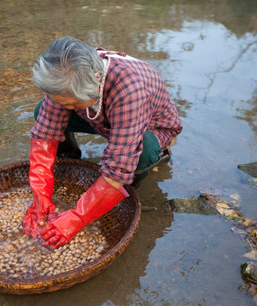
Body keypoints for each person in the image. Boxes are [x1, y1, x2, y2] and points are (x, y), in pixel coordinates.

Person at [23, 36, 182, 249]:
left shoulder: (130, 89)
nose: (66, 107)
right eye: (64, 102)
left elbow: (118, 166)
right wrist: (40, 196)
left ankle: (127, 191)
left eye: (71, 103)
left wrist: (78, 218)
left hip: (150, 126)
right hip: (102, 116)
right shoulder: (64, 74)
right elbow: (44, 135)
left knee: (141, 153)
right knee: (41, 111)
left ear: (97, 80)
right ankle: (68, 160)